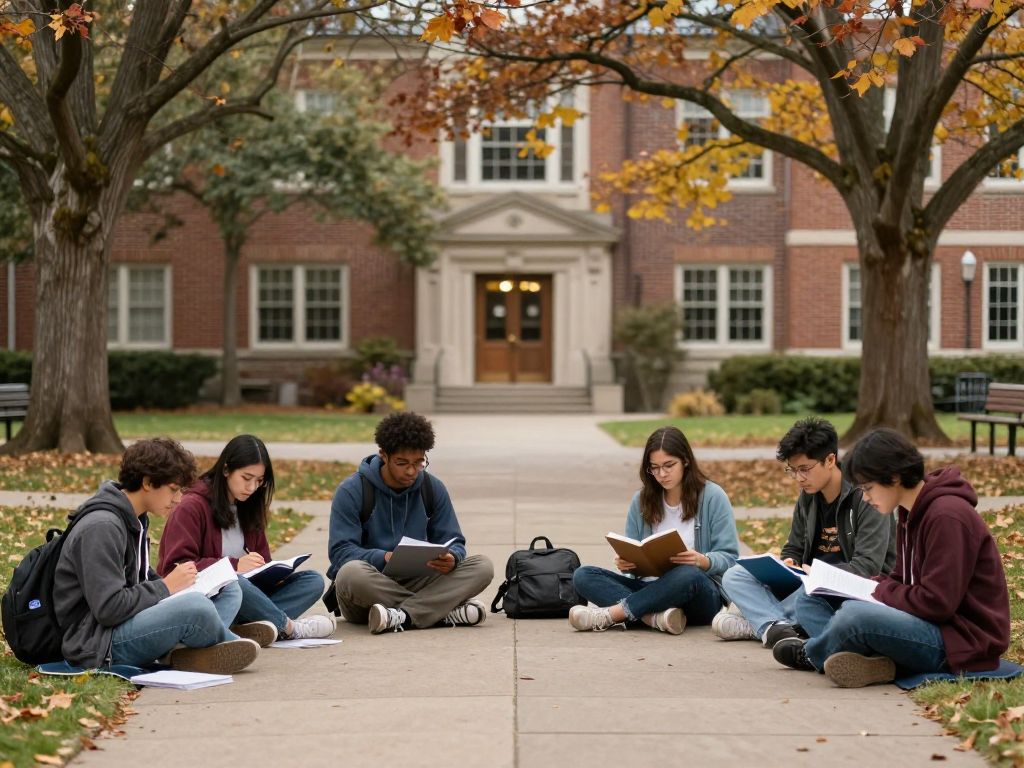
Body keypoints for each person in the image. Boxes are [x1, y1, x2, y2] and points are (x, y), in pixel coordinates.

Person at [773, 428, 1010, 688]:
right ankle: (873, 660)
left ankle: (813, 653)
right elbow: (900, 577)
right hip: (927, 623)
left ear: (894, 477)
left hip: (961, 640)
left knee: (855, 615)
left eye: (868, 488)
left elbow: (937, 603)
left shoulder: (947, 517)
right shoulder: (911, 511)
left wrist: (881, 591)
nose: (864, 497)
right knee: (811, 599)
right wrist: (867, 587)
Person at [54, 438, 260, 674]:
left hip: (125, 623)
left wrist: (186, 584)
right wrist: (165, 587)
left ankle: (191, 650)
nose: (178, 499)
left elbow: (138, 578)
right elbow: (108, 609)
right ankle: (224, 642)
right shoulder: (102, 527)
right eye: (173, 489)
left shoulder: (135, 517)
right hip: (97, 643)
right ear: (148, 483)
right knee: (195, 607)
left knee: (229, 588)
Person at [713, 417, 894, 647]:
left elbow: (868, 566)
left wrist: (819, 574)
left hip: (846, 589)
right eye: (793, 470)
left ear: (830, 460)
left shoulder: (866, 495)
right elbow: (794, 546)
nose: (798, 478)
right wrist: (790, 560)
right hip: (807, 581)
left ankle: (761, 621)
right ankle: (775, 625)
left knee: (805, 598)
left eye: (805, 469)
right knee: (734, 576)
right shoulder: (808, 496)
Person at [158, 434, 335, 645]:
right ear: (226, 470)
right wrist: (234, 566)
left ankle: (250, 628)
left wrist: (271, 571)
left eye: (259, 481)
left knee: (312, 581)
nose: (252, 488)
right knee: (234, 581)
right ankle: (287, 627)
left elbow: (263, 558)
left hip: (250, 594)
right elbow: (176, 565)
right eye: (246, 478)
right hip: (212, 596)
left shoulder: (250, 506)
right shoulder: (191, 506)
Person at [327, 412, 494, 634]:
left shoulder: (432, 488)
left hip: (419, 579)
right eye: (402, 463)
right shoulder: (352, 490)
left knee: (483, 566)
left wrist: (452, 557)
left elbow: (454, 540)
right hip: (370, 590)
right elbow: (341, 553)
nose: (411, 471)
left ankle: (403, 616)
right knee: (350, 573)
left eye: (419, 462)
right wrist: (384, 557)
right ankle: (439, 612)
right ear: (384, 455)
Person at [569, 426, 739, 634]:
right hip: (650, 589)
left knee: (688, 574)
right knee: (583, 575)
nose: (662, 474)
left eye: (669, 465)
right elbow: (634, 553)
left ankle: (612, 615)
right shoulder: (641, 501)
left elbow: (730, 558)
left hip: (698, 595)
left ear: (685, 460)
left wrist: (703, 560)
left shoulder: (713, 497)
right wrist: (626, 564)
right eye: (655, 467)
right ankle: (655, 618)